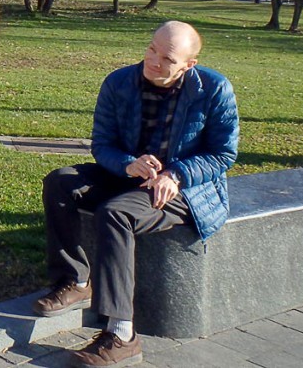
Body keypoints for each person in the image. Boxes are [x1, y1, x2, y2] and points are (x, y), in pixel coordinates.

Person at [34, 20, 239, 367]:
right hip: (129, 176)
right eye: (151, 49)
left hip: (187, 189)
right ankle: (77, 281)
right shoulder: (119, 82)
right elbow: (102, 144)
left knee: (115, 213)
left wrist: (177, 173)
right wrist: (129, 165)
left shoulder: (215, 89)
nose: (154, 62)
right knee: (60, 181)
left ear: (189, 65)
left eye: (167, 59)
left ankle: (122, 334)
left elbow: (224, 154)